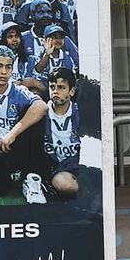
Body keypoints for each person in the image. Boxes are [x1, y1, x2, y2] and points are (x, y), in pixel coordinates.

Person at [0, 46, 48, 203]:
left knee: (36, 117)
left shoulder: (19, 91)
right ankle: (17, 172)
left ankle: (32, 178)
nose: (4, 72)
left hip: (14, 143)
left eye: (8, 67)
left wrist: (11, 134)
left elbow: (42, 107)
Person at [44, 66, 81, 198]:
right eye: (52, 87)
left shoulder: (80, 113)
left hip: (75, 166)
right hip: (53, 167)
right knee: (63, 184)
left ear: (71, 91)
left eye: (61, 87)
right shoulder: (41, 112)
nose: (55, 92)